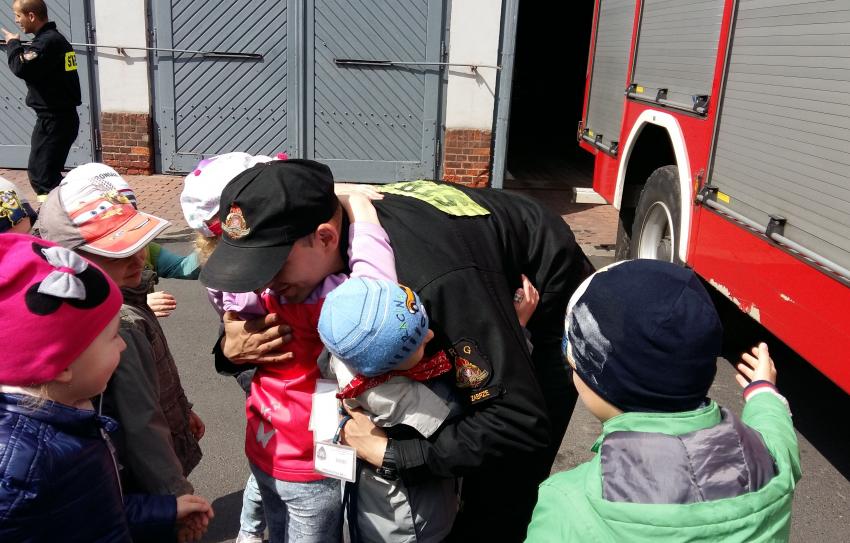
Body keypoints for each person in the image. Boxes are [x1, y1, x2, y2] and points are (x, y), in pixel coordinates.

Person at [201, 160, 594, 540]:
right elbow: (278, 355)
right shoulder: (308, 253)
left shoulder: (429, 285)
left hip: (536, 292)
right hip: (462, 276)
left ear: (326, 238)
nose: (261, 286)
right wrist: (231, 351)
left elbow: (518, 423)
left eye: (272, 266)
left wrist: (392, 453)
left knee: (496, 493)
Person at [525, 259, 801, 542]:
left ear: (598, 375)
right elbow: (775, 426)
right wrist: (763, 390)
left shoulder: (568, 506)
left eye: (570, 350)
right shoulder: (770, 460)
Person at [0, 234, 214, 542]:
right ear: (62, 364)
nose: (123, 344)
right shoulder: (20, 469)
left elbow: (96, 509)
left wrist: (165, 510)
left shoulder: (72, 416)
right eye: (113, 337)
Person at [320, 272, 539, 541]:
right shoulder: (405, 402)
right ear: (383, 363)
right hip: (411, 524)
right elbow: (480, 412)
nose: (431, 334)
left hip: (367, 505)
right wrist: (516, 333)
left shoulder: (345, 359)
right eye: (416, 340)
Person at [38, 162, 204, 498]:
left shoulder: (127, 300)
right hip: (139, 480)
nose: (139, 259)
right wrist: (175, 496)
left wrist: (182, 408)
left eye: (138, 242)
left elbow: (156, 378)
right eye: (117, 252)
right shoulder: (121, 324)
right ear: (72, 260)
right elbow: (141, 421)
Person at [2, 0, 81, 200]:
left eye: (18, 15)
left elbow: (22, 67)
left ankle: (55, 214)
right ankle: (61, 211)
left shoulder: (47, 42)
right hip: (55, 119)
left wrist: (13, 44)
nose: (16, 20)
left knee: (42, 175)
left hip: (55, 119)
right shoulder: (52, 40)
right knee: (45, 173)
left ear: (31, 16)